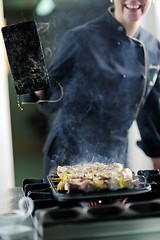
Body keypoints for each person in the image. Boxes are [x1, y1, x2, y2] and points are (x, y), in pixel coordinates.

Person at [22, 0, 160, 180]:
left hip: (115, 157)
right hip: (68, 156)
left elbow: (150, 109)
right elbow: (48, 101)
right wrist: (32, 77)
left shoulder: (153, 46)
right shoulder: (80, 38)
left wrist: (156, 156)